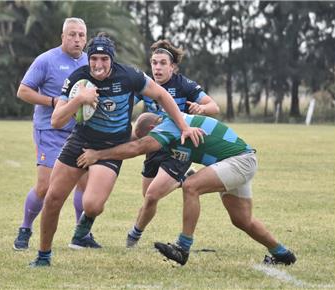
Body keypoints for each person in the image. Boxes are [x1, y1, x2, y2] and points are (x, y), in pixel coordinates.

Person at [29, 33, 204, 267]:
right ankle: (43, 256)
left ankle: (83, 228)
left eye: (104, 59)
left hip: (112, 147)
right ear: (88, 59)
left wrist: (184, 126)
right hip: (80, 141)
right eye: (94, 59)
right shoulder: (78, 79)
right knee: (52, 198)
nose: (98, 64)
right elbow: (57, 121)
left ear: (112, 60)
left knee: (92, 205)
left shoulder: (129, 76)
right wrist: (79, 99)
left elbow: (162, 95)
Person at [77, 112, 297, 266]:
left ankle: (183, 248)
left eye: (149, 136)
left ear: (153, 129)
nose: (150, 142)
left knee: (191, 187)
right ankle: (282, 254)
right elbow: (136, 143)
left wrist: (98, 155)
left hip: (240, 160)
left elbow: (138, 147)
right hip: (238, 159)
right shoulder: (173, 125)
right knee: (242, 220)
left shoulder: (169, 125)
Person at [127, 40, 220, 248]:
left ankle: (133, 236)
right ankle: (181, 179)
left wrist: (201, 109)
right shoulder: (146, 85)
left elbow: (214, 106)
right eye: (154, 63)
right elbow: (126, 105)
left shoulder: (184, 85)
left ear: (173, 67)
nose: (157, 68)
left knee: (152, 194)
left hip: (179, 146)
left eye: (162, 63)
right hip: (154, 145)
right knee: (148, 197)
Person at [13, 17, 90, 251]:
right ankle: (25, 228)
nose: (77, 40)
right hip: (50, 129)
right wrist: (53, 101)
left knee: (84, 183)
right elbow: (23, 91)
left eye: (81, 36)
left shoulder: (90, 62)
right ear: (63, 37)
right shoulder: (46, 60)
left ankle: (81, 235)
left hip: (80, 132)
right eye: (72, 35)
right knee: (45, 186)